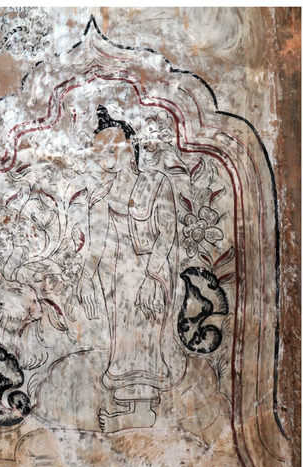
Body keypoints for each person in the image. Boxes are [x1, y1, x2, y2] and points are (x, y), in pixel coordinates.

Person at [77, 105, 187, 433]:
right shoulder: (102, 195)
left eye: (111, 148)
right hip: (119, 280)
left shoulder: (154, 183)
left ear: (129, 148)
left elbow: (167, 232)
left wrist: (152, 278)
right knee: (123, 344)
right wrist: (85, 279)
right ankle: (129, 407)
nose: (104, 156)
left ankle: (143, 411)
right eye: (99, 151)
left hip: (150, 274)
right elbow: (97, 243)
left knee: (145, 341)